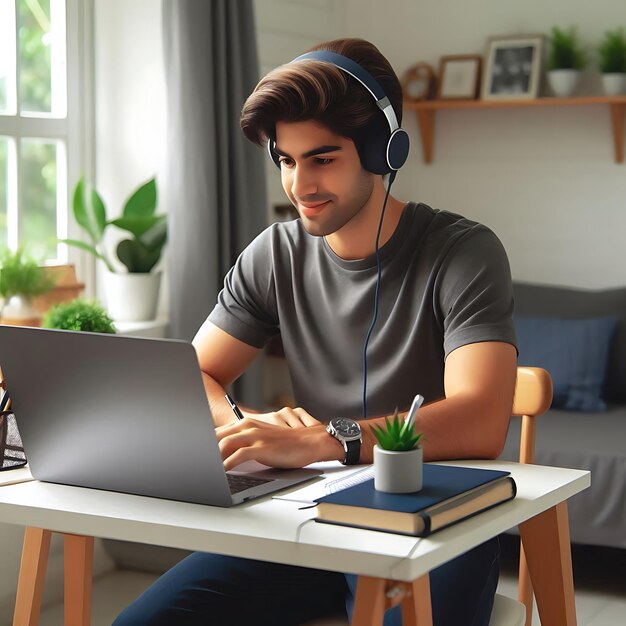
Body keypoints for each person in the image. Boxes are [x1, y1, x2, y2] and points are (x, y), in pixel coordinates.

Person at [114, 37, 517, 626]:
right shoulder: (274, 253)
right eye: (285, 160)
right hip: (308, 520)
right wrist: (245, 425)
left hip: (435, 517)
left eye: (322, 158)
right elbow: (190, 373)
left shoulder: (464, 252)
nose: (299, 185)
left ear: (383, 151)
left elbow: (482, 419)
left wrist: (330, 438)